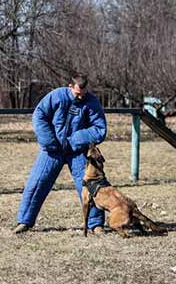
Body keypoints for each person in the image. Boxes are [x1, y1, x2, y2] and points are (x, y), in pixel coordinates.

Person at [13, 73, 107, 234]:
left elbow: (100, 129)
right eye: (77, 93)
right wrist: (49, 141)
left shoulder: (91, 102)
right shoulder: (56, 96)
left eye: (83, 93)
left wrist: (74, 140)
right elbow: (39, 115)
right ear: (70, 86)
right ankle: (24, 221)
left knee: (89, 186)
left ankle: (96, 224)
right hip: (53, 149)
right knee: (36, 184)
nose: (80, 97)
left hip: (77, 151)